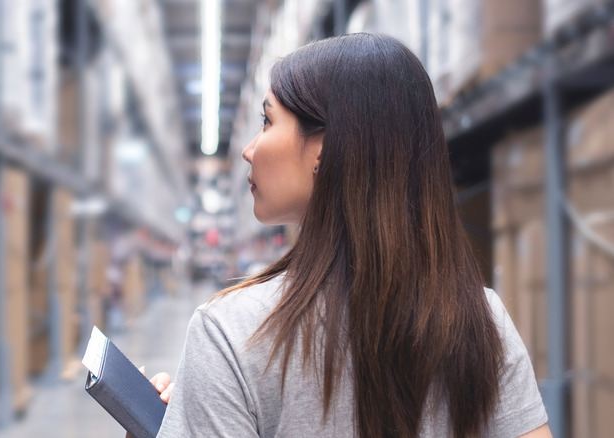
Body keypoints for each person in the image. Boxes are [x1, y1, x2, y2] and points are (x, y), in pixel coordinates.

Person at [147, 33, 551, 437]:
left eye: (267, 121)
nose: (249, 149)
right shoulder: (481, 320)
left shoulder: (231, 333)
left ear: (324, 150)